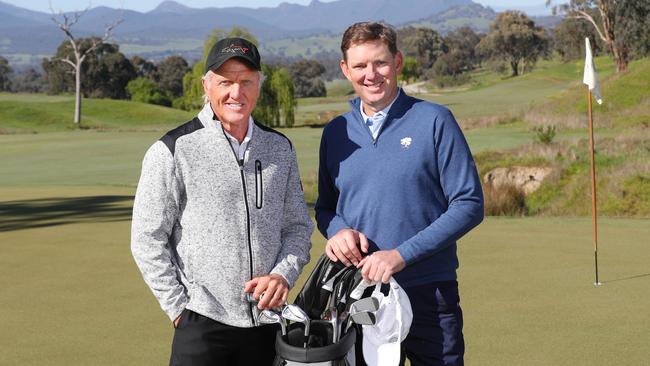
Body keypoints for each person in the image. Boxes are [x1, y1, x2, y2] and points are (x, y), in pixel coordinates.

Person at [131, 37, 313, 366]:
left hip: (267, 322)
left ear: (259, 84)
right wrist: (178, 308)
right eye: (225, 82)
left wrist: (283, 275)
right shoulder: (173, 149)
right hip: (202, 323)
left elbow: (298, 227)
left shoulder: (280, 148)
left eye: (246, 81)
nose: (236, 93)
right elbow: (147, 237)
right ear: (207, 85)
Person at [315, 22, 484, 366]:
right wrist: (336, 231)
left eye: (380, 63)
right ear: (345, 70)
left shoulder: (435, 120)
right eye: (360, 66)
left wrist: (400, 255)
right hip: (360, 293)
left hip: (429, 292)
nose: (371, 75)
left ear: (398, 62)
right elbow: (326, 208)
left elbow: (469, 203)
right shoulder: (335, 132)